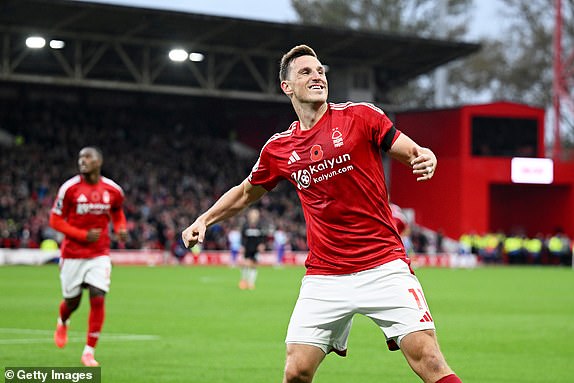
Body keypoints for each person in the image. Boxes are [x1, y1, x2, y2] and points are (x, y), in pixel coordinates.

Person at [182, 45, 462, 383]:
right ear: (286, 87)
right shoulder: (279, 148)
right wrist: (203, 220)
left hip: (383, 266)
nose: (317, 76)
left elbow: (409, 149)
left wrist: (424, 154)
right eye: (305, 72)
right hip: (325, 276)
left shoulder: (360, 116)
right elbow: (244, 193)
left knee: (429, 360)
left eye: (320, 71)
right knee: (296, 371)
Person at [50, 146, 127, 367]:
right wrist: (82, 235)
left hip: (99, 254)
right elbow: (55, 221)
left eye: (87, 157)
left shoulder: (113, 190)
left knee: (98, 295)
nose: (82, 161)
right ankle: (62, 320)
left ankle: (89, 351)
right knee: (72, 302)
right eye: (80, 157)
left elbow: (117, 212)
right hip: (72, 254)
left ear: (98, 162)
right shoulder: (70, 189)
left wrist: (121, 227)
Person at [239, 208, 265, 289]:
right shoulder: (245, 225)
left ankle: (251, 283)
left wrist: (261, 245)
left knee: (254, 265)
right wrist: (242, 246)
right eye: (253, 214)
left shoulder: (260, 226)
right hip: (247, 248)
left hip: (255, 249)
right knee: (245, 264)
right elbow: (242, 237)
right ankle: (244, 281)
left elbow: (262, 237)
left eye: (255, 214)